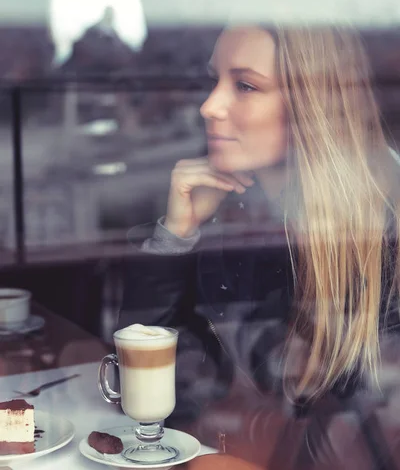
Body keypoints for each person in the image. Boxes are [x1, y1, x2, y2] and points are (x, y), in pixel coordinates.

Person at [119, 25, 400, 468]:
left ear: (313, 105)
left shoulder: (382, 231)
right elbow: (141, 388)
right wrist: (175, 234)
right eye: (214, 80)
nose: (209, 106)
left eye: (246, 86)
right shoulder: (233, 208)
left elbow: (371, 434)